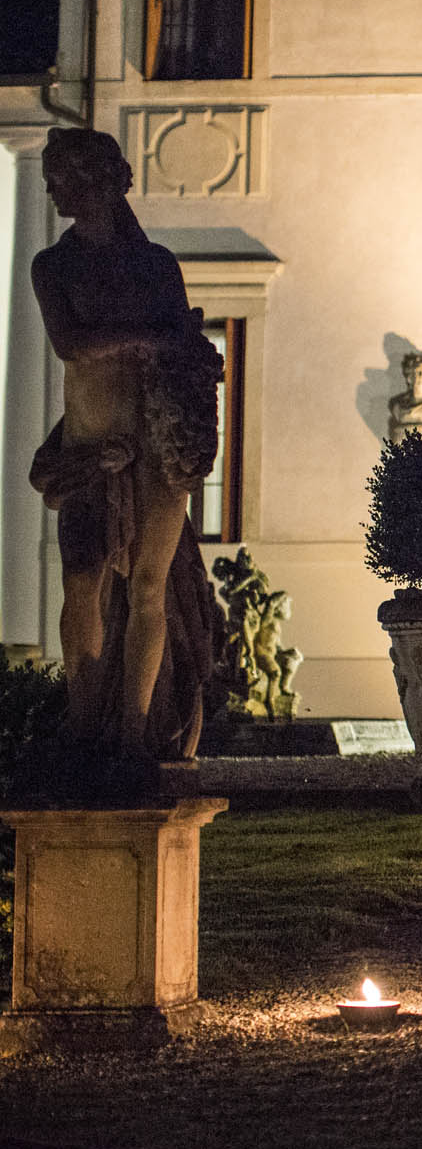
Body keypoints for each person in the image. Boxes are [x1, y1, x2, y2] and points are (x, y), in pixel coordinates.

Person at [29, 126, 219, 768]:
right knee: (80, 586)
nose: (53, 189)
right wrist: (151, 335)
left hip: (158, 448)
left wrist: (171, 347)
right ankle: (84, 727)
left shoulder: (157, 264)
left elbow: (182, 352)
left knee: (148, 588)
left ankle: (134, 733)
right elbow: (69, 343)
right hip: (87, 445)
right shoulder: (53, 266)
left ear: (99, 182)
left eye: (62, 178)